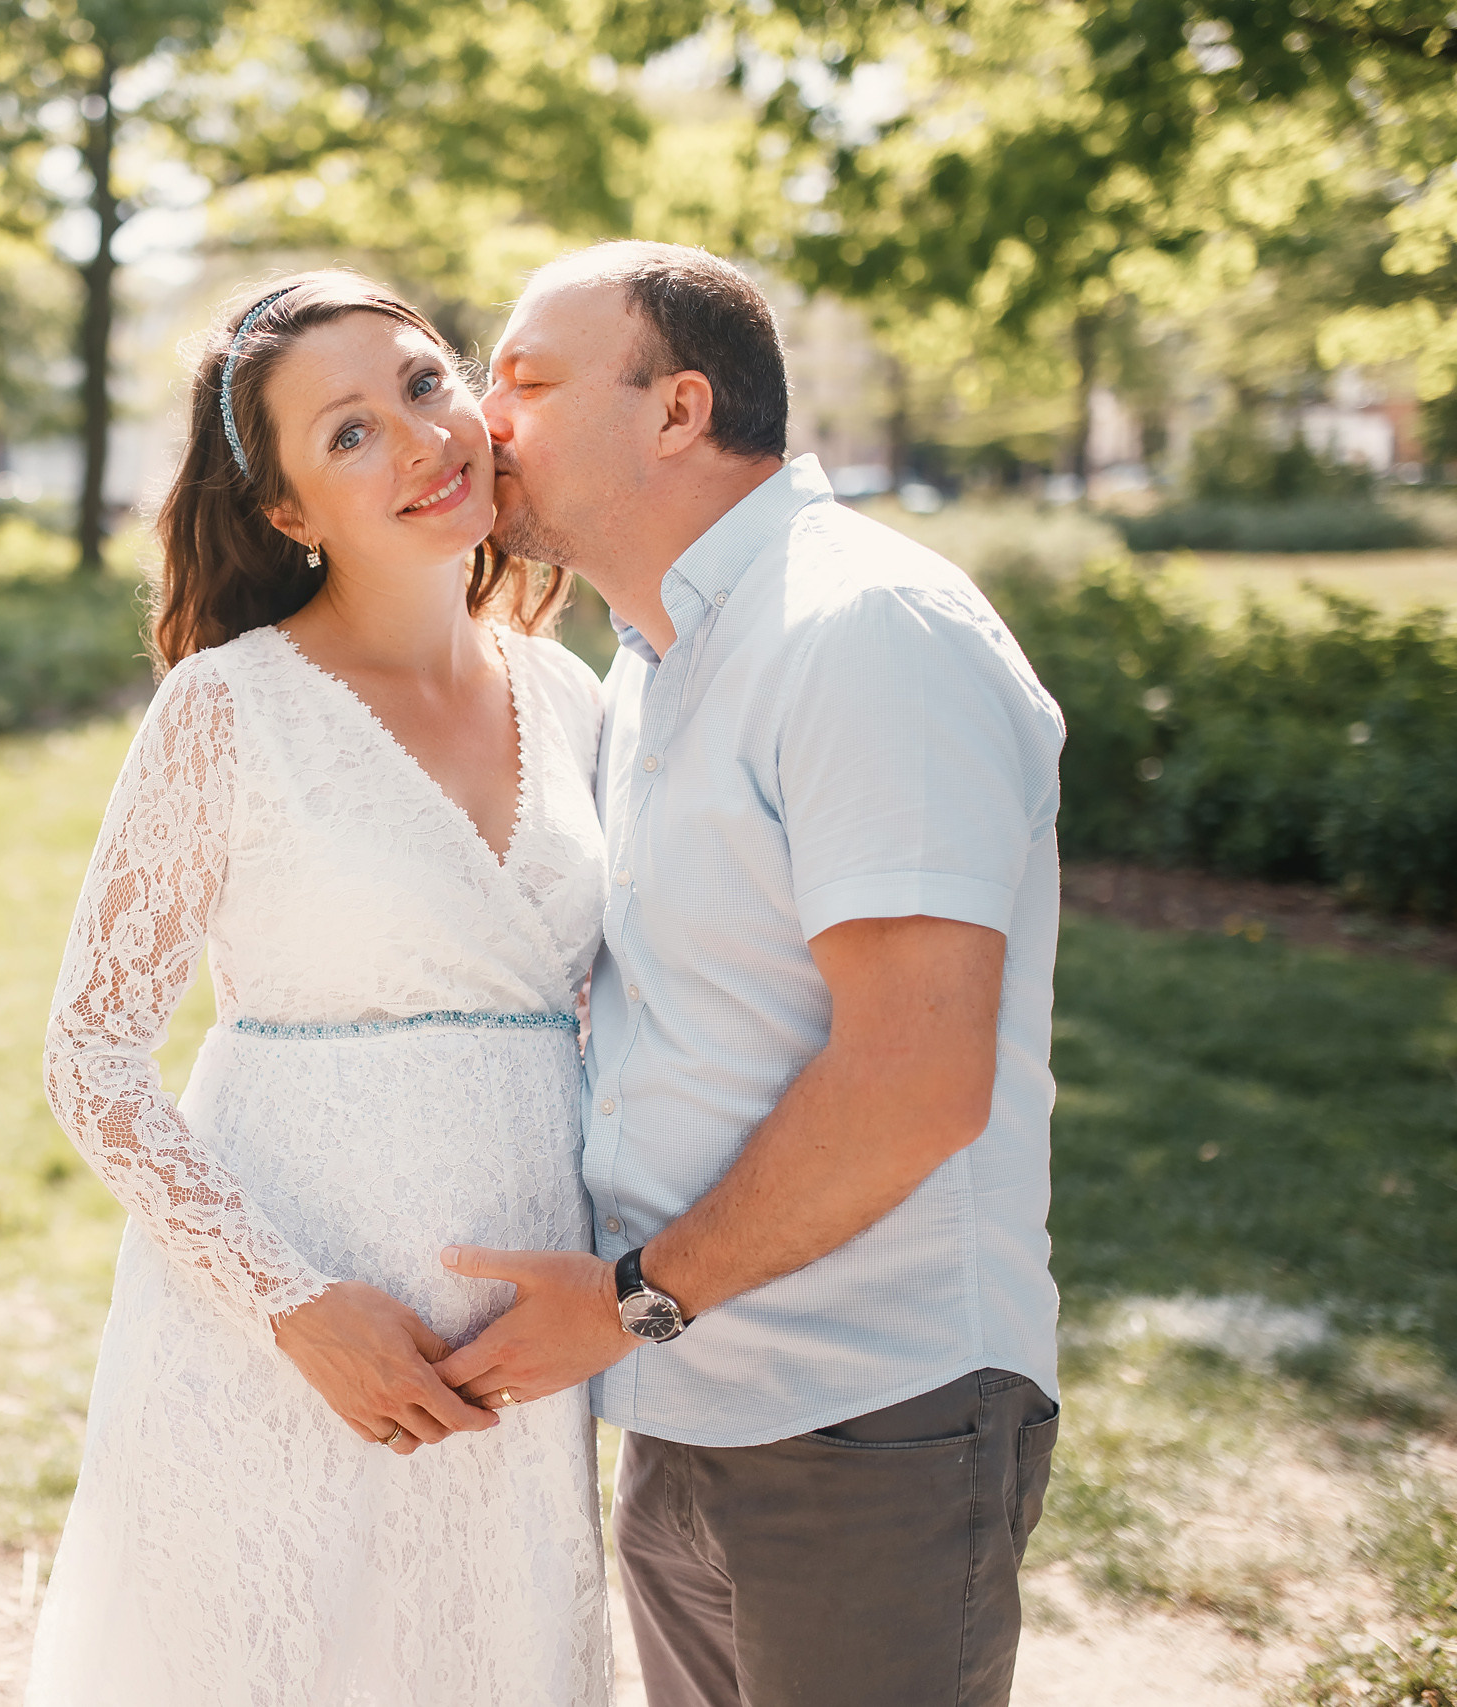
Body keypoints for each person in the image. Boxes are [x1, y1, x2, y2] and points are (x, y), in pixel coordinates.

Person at [435, 240, 1068, 1706]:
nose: (480, 422)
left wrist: (636, 1299)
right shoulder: (658, 659)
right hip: (682, 1402)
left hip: (870, 1414)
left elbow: (913, 1081)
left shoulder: (863, 631)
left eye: (522, 381)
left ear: (677, 411)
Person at [28, 270, 614, 1703]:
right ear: (286, 510)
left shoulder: (577, 701)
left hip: (521, 1360)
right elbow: (93, 1059)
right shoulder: (229, 706)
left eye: (425, 385)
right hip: (281, 1339)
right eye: (348, 433)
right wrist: (291, 1304)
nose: (421, 442)